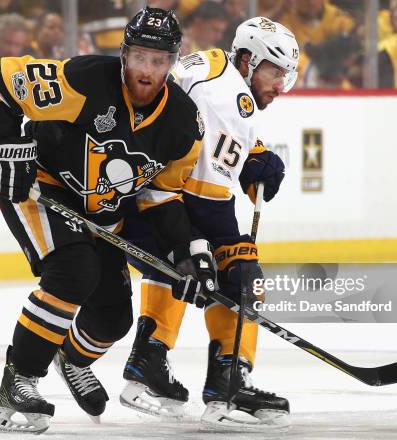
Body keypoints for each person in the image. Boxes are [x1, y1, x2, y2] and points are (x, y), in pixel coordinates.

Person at [0, 7, 214, 434]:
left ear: (173, 62)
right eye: (139, 57)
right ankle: (19, 381)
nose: (147, 70)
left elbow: (161, 195)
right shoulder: (83, 81)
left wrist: (183, 254)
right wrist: (5, 147)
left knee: (113, 316)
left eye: (159, 61)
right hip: (43, 191)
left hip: (102, 213)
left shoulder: (182, 122)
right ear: (123, 55)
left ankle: (72, 357)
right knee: (73, 272)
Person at [118, 16, 297, 429]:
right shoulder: (227, 96)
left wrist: (253, 153)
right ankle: (227, 389)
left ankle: (148, 366)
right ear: (249, 61)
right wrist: (228, 252)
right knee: (237, 269)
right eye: (275, 73)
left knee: (179, 266)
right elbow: (202, 195)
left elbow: (203, 138)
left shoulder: (215, 67)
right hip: (158, 200)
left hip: (134, 189)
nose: (278, 85)